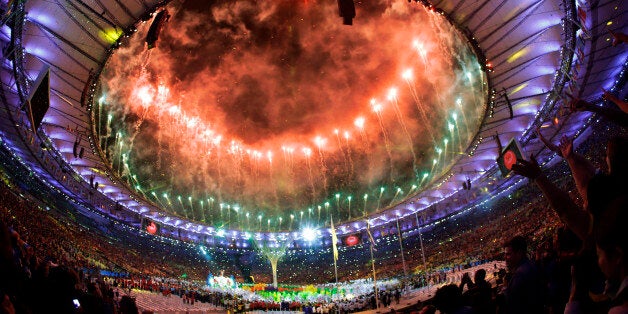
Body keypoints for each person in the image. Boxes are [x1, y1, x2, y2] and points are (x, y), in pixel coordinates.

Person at [500, 236, 545, 314]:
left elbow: (512, 304)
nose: (505, 258)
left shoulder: (519, 275)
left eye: (508, 254)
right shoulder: (532, 265)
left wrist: (505, 287)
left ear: (519, 253)